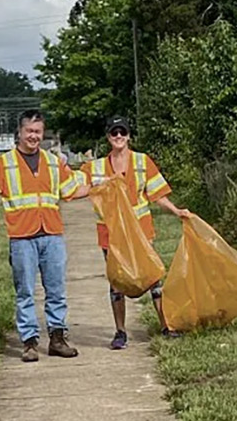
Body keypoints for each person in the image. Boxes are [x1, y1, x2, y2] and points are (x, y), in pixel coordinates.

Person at [0, 110, 90, 362]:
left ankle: (57, 339)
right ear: (20, 133)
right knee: (25, 291)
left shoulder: (53, 162)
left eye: (38, 131)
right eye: (29, 131)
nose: (34, 136)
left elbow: (71, 190)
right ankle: (30, 343)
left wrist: (102, 184)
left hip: (52, 235)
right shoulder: (5, 163)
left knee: (56, 290)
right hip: (22, 237)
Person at [81, 116, 191, 350]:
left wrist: (176, 210)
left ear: (129, 136)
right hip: (111, 236)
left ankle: (166, 326)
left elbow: (157, 194)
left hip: (141, 232)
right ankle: (120, 332)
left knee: (153, 278)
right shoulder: (97, 168)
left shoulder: (142, 162)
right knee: (117, 282)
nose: (118, 136)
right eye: (114, 133)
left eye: (122, 132)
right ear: (108, 137)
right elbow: (77, 187)